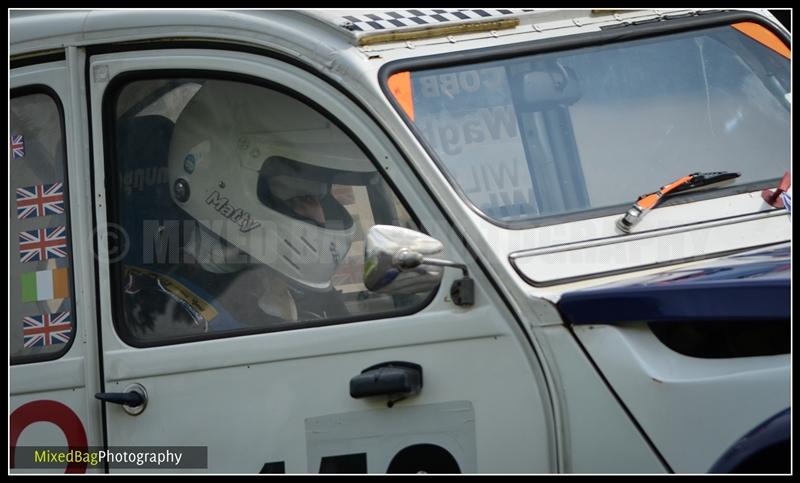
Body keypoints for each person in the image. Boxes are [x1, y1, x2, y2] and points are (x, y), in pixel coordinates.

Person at [119, 79, 381, 341]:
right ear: (224, 186)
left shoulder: (271, 281)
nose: (321, 216)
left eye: (322, 197)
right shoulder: (177, 320)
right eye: (300, 197)